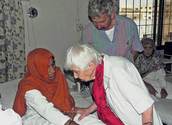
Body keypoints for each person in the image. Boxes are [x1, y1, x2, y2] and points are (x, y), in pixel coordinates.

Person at [65, 44, 163, 125]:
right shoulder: (100, 67)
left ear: (90, 66)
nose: (75, 76)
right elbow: (104, 96)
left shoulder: (117, 71)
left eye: (76, 72)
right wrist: (87, 110)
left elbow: (146, 105)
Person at [13, 48, 105, 125]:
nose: (52, 70)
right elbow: (46, 110)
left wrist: (68, 111)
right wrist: (69, 122)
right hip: (38, 117)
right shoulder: (28, 86)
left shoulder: (57, 75)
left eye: (52, 64)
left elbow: (64, 99)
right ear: (37, 67)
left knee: (91, 121)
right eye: (46, 67)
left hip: (62, 110)